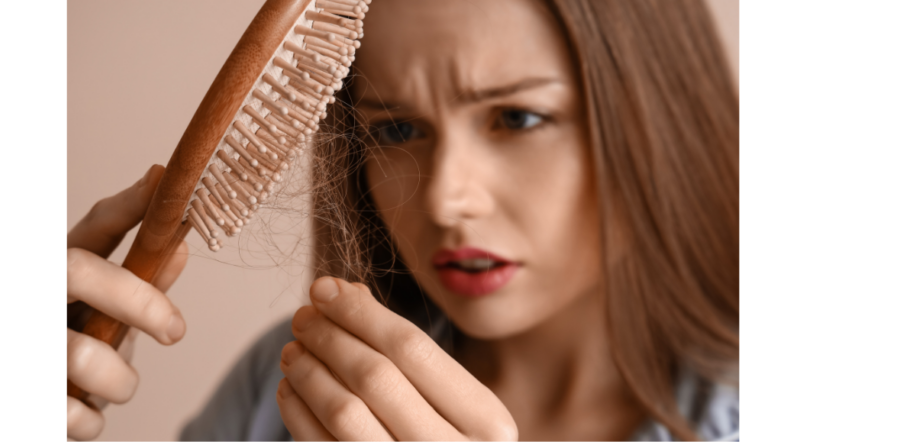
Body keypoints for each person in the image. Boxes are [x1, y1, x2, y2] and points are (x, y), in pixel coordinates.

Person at [66, 0, 739, 440]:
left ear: (659, 119)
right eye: (396, 131)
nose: (446, 200)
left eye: (518, 118)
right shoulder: (282, 389)